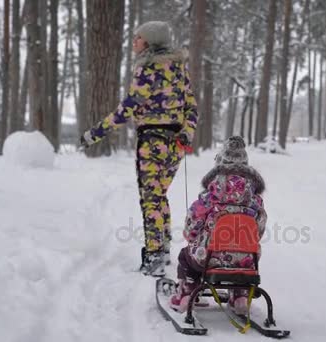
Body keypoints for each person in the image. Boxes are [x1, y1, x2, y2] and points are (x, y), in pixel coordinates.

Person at [80, 21, 198, 277]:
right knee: (160, 196)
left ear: (150, 41)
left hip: (152, 143)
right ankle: (163, 249)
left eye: (139, 37)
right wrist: (187, 132)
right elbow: (191, 107)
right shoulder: (179, 68)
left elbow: (128, 108)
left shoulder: (147, 68)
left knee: (150, 199)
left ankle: (155, 255)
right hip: (175, 144)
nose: (134, 41)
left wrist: (95, 133)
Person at [170, 136, 267, 314]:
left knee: (186, 256)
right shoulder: (255, 199)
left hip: (209, 258)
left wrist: (191, 236)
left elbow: (193, 221)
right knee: (240, 260)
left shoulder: (210, 197)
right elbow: (259, 228)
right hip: (247, 261)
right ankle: (239, 296)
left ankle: (187, 293)